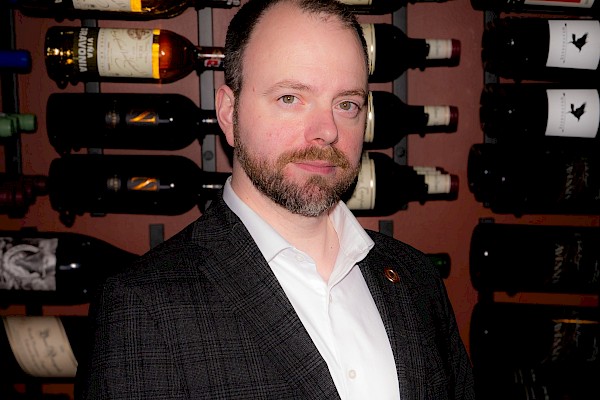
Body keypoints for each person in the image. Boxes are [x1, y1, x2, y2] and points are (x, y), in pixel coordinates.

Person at [76, 0, 475, 398]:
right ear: (229, 113)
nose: (327, 131)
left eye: (347, 104)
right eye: (290, 98)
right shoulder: (142, 307)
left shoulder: (416, 278)